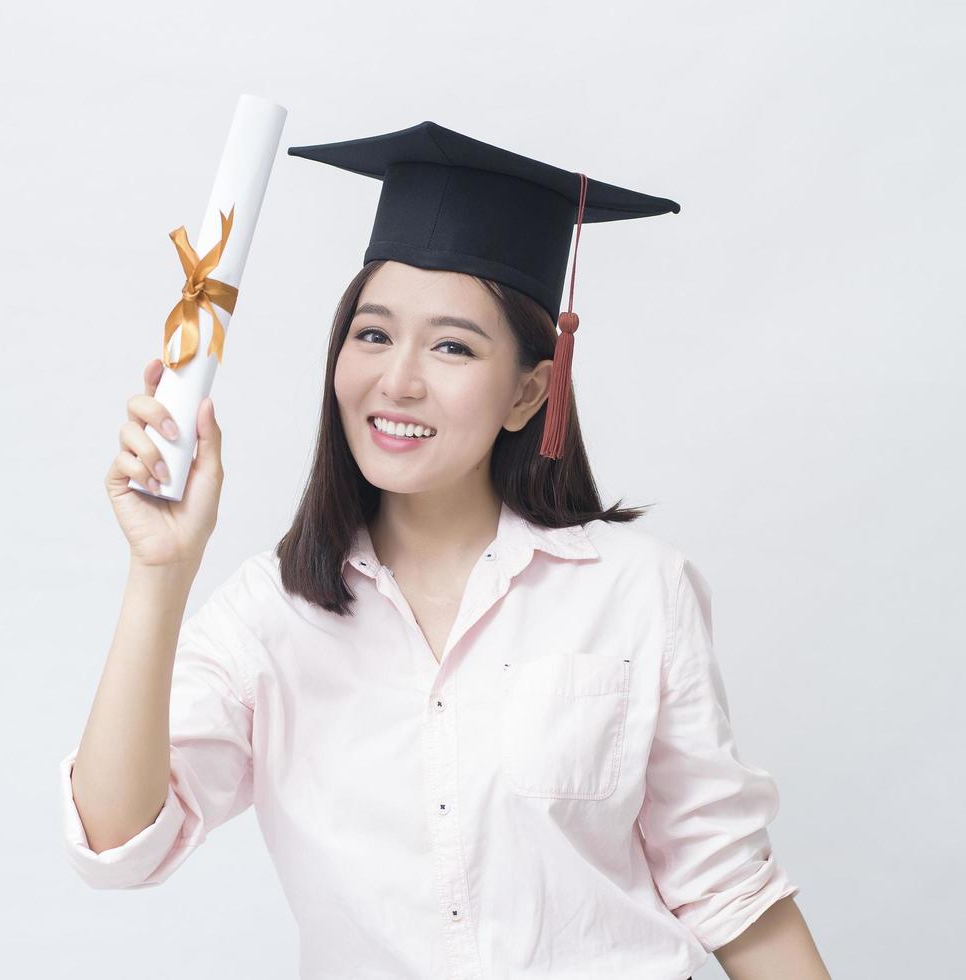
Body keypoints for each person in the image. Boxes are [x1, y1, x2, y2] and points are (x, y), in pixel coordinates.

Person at [61, 121, 831, 979]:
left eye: (454, 346)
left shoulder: (637, 592)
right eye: (374, 334)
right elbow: (118, 842)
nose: (399, 380)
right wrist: (158, 573)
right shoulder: (268, 618)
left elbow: (732, 893)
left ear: (529, 392)